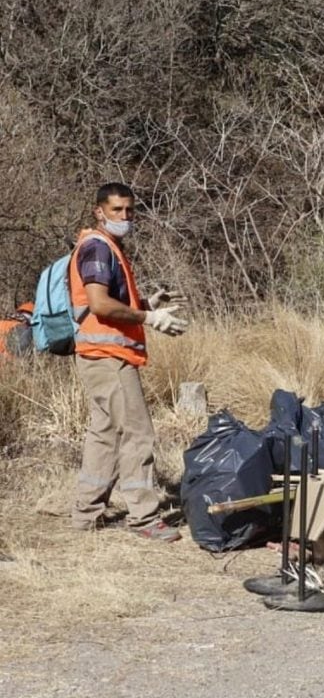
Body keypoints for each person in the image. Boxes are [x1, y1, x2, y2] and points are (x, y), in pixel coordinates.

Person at [70, 182, 188, 541]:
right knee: (138, 434)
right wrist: (149, 319)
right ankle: (144, 517)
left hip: (99, 356)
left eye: (129, 210)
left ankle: (85, 513)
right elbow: (100, 304)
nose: (124, 217)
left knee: (104, 435)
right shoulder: (97, 248)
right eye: (117, 210)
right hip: (110, 358)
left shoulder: (103, 247)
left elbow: (109, 305)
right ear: (99, 211)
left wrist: (147, 304)